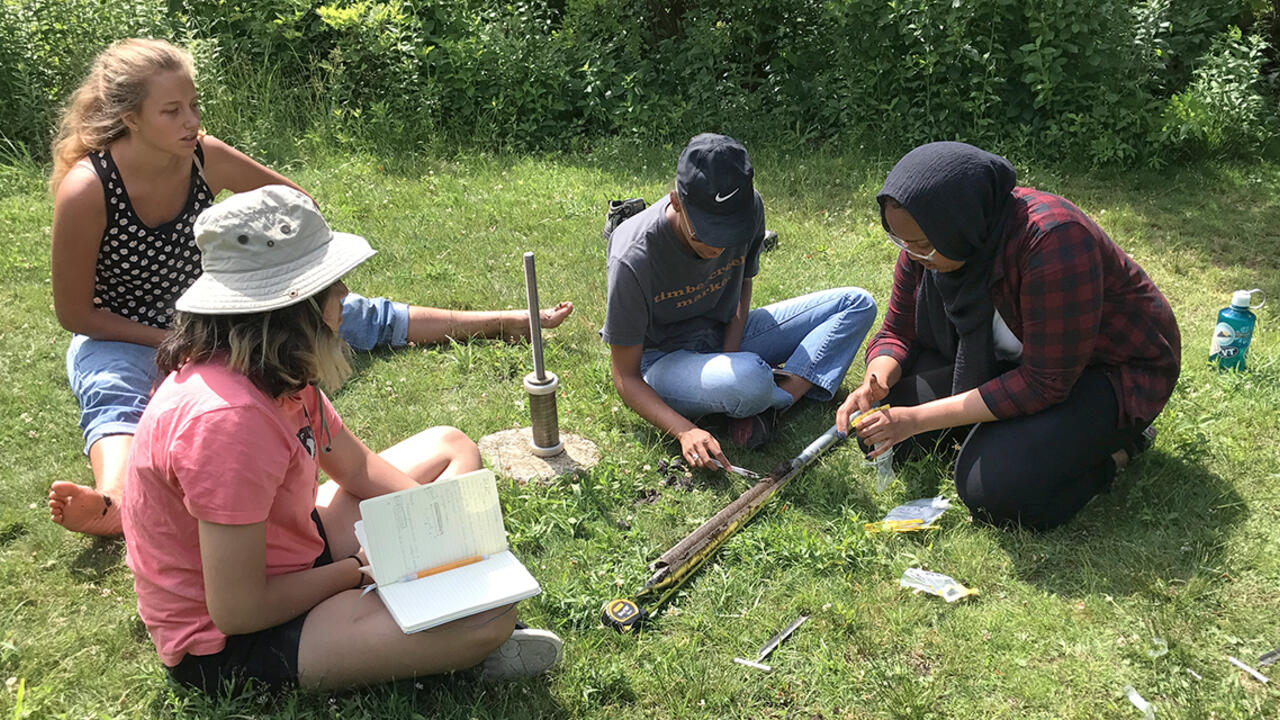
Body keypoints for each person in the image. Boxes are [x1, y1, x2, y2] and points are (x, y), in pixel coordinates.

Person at [46, 38, 572, 536]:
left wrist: (285, 274)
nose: (191, 121)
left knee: (357, 312)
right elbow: (76, 314)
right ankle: (113, 500)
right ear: (129, 118)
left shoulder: (205, 156)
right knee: (115, 387)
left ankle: (508, 320)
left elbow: (295, 200)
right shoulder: (88, 190)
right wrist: (169, 343)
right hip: (127, 329)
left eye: (194, 104)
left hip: (236, 309)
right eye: (172, 111)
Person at [122, 184, 562, 694]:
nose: (345, 296)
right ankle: (442, 640)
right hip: (233, 640)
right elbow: (239, 610)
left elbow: (355, 469)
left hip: (289, 550)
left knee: (450, 447)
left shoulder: (272, 369)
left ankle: (419, 625)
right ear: (294, 306)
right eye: (332, 284)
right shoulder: (227, 422)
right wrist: (356, 571)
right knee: (491, 621)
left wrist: (440, 534)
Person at [835, 141, 1181, 531]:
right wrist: (875, 381)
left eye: (921, 245)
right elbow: (898, 330)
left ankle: (1118, 452)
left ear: (960, 223)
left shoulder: (1053, 240)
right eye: (900, 241)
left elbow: (1045, 383)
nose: (911, 254)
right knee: (879, 433)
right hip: (1006, 361)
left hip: (1104, 373)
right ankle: (1000, 433)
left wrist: (915, 419)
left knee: (993, 492)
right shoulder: (934, 235)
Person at [602, 133, 877, 471]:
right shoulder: (633, 256)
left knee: (856, 304)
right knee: (747, 379)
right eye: (704, 234)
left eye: (728, 233)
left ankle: (781, 396)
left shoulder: (751, 208)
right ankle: (760, 391)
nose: (717, 248)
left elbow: (741, 288)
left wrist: (729, 356)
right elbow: (625, 377)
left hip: (724, 337)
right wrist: (685, 431)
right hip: (662, 363)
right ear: (676, 201)